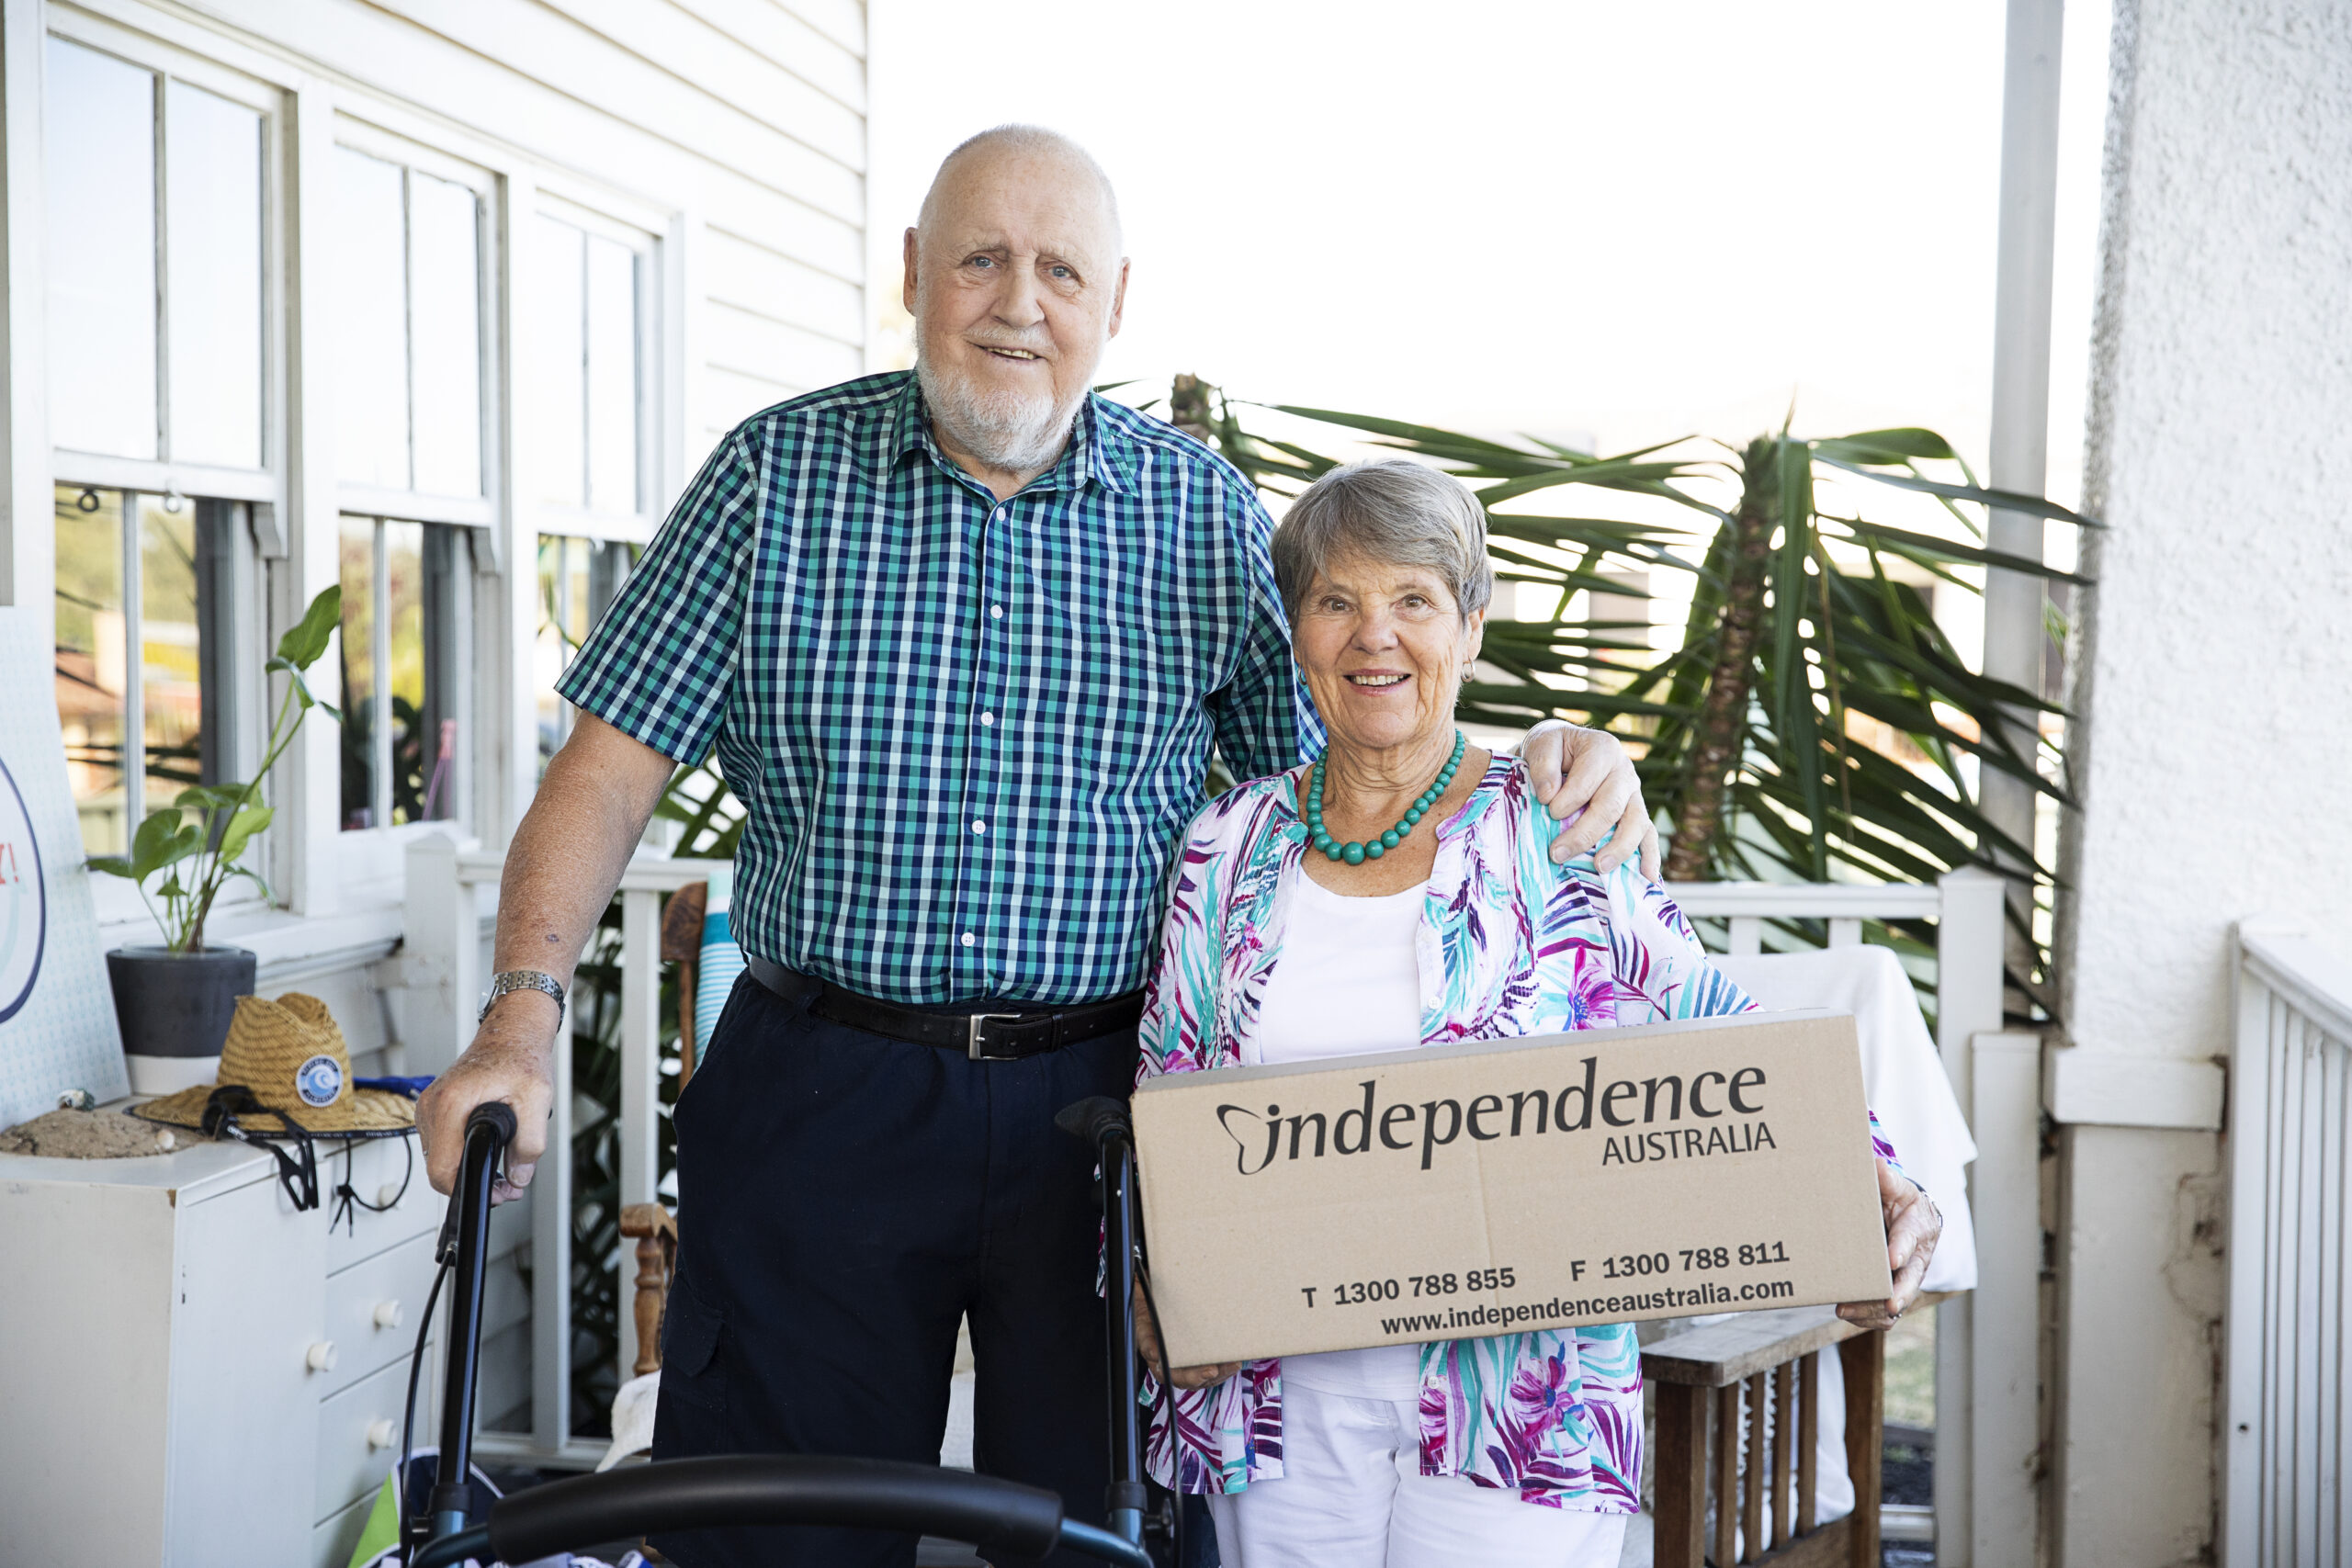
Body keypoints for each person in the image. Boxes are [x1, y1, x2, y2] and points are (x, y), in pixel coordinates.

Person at [416, 127, 1657, 1568]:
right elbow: (606, 769)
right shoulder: (773, 480)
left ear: (1115, 301)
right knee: (776, 1536)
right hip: (823, 1095)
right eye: (982, 258)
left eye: (1060, 268)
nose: (1020, 301)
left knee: (1097, 1539)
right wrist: (519, 1020)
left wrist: (1544, 766)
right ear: (913, 275)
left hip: (1110, 1106)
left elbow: (1340, 775)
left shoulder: (1195, 512)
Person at [1128, 459, 1939, 1568]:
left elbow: (1701, 1022)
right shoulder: (1228, 846)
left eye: (1412, 600)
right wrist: (1151, 1282)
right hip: (1278, 1400)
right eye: (1336, 602)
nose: (1375, 637)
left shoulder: (1554, 823)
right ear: (1297, 632)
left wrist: (1865, 1170)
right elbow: (1165, 1096)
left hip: (1522, 1397)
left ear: (1468, 626)